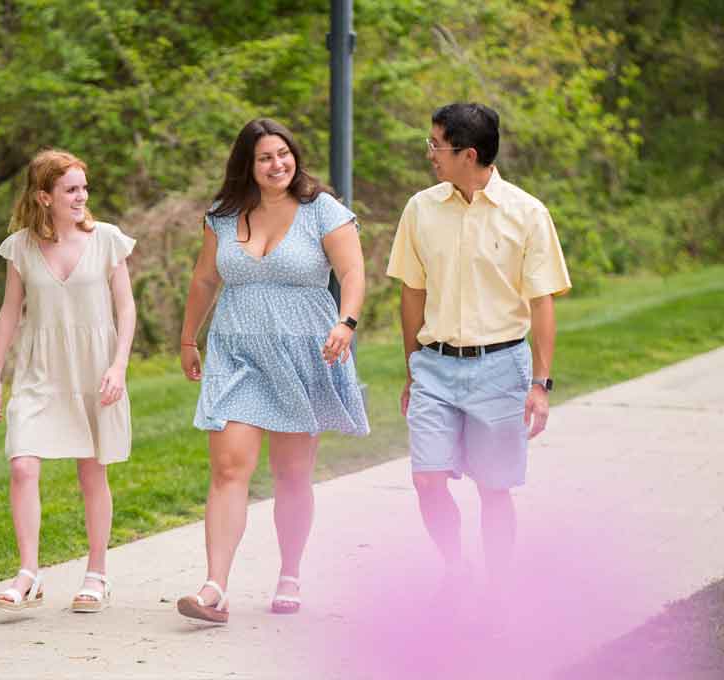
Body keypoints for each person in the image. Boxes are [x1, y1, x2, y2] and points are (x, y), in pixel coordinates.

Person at [176, 118, 369, 623]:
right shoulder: (222, 217)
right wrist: (187, 337)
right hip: (237, 353)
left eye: (283, 154)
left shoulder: (322, 210)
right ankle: (214, 585)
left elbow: (352, 272)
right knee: (227, 468)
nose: (277, 164)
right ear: (248, 164)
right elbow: (203, 279)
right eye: (265, 157)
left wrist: (346, 322)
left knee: (291, 473)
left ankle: (290, 573)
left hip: (302, 351)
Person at [386, 103, 571, 604]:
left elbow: (542, 301)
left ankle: (498, 589)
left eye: (436, 146)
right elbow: (412, 294)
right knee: (427, 478)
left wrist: (541, 383)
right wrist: (411, 370)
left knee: (494, 488)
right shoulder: (420, 208)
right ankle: (456, 569)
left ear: (469, 154)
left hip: (501, 368)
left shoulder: (528, 214)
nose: (430, 155)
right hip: (435, 367)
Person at [0, 149, 137, 614]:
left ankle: (97, 574)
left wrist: (118, 366)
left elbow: (126, 309)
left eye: (83, 188)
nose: (81, 196)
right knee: (22, 464)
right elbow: (11, 312)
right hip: (40, 372)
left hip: (95, 369)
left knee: (93, 471)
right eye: (71, 189)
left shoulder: (107, 239)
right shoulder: (21, 246)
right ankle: (29, 573)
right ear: (44, 196)